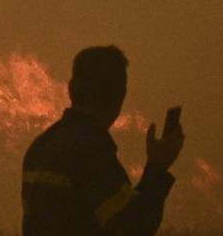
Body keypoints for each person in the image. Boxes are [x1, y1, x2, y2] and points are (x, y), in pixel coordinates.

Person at [22, 46, 185, 235]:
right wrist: (157, 170)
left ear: (71, 89)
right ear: (120, 96)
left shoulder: (41, 148)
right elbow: (132, 225)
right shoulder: (91, 155)